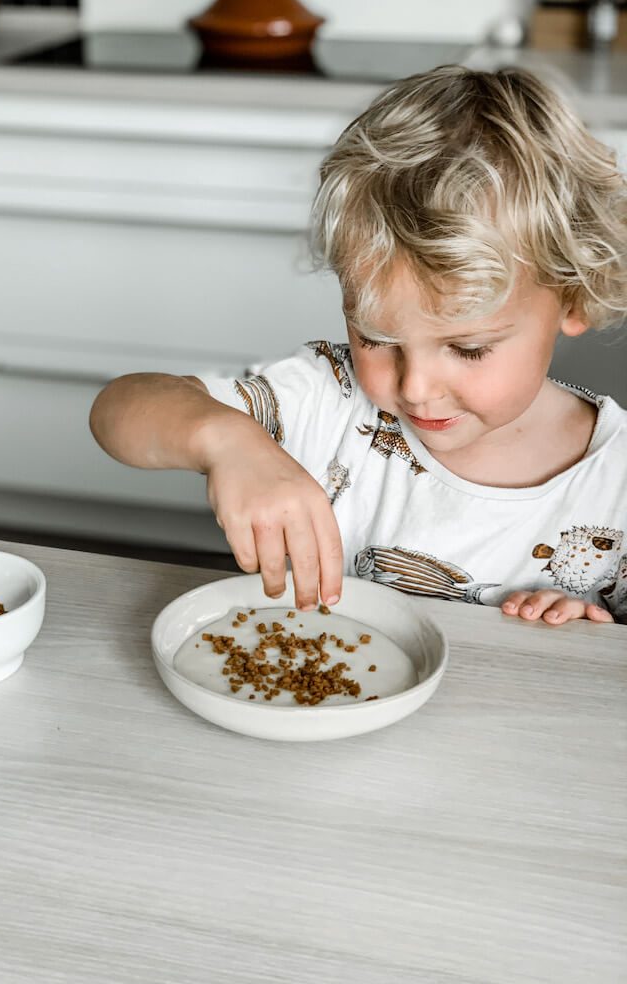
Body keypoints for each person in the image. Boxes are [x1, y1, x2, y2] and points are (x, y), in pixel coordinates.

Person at [90, 65, 627, 625]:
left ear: (573, 300)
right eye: (376, 338)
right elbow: (115, 411)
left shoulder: (617, 482)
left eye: (468, 348)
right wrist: (224, 440)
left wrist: (595, 635)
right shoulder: (332, 398)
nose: (414, 387)